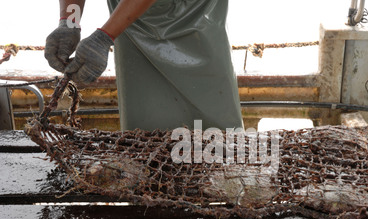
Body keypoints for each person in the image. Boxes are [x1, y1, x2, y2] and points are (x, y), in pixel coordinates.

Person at [45, 0, 244, 131]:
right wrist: (69, 21)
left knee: (215, 142)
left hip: (195, 18)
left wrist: (104, 36)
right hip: (127, 24)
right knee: (143, 140)